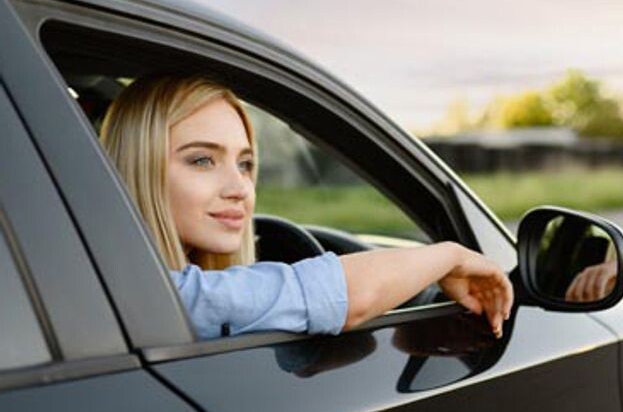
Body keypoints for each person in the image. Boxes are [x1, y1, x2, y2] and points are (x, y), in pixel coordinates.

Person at [99, 74, 514, 340]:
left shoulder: (107, 284)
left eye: (245, 164)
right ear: (139, 167)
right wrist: (450, 256)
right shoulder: (152, 297)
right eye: (202, 160)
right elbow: (342, 297)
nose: (239, 188)